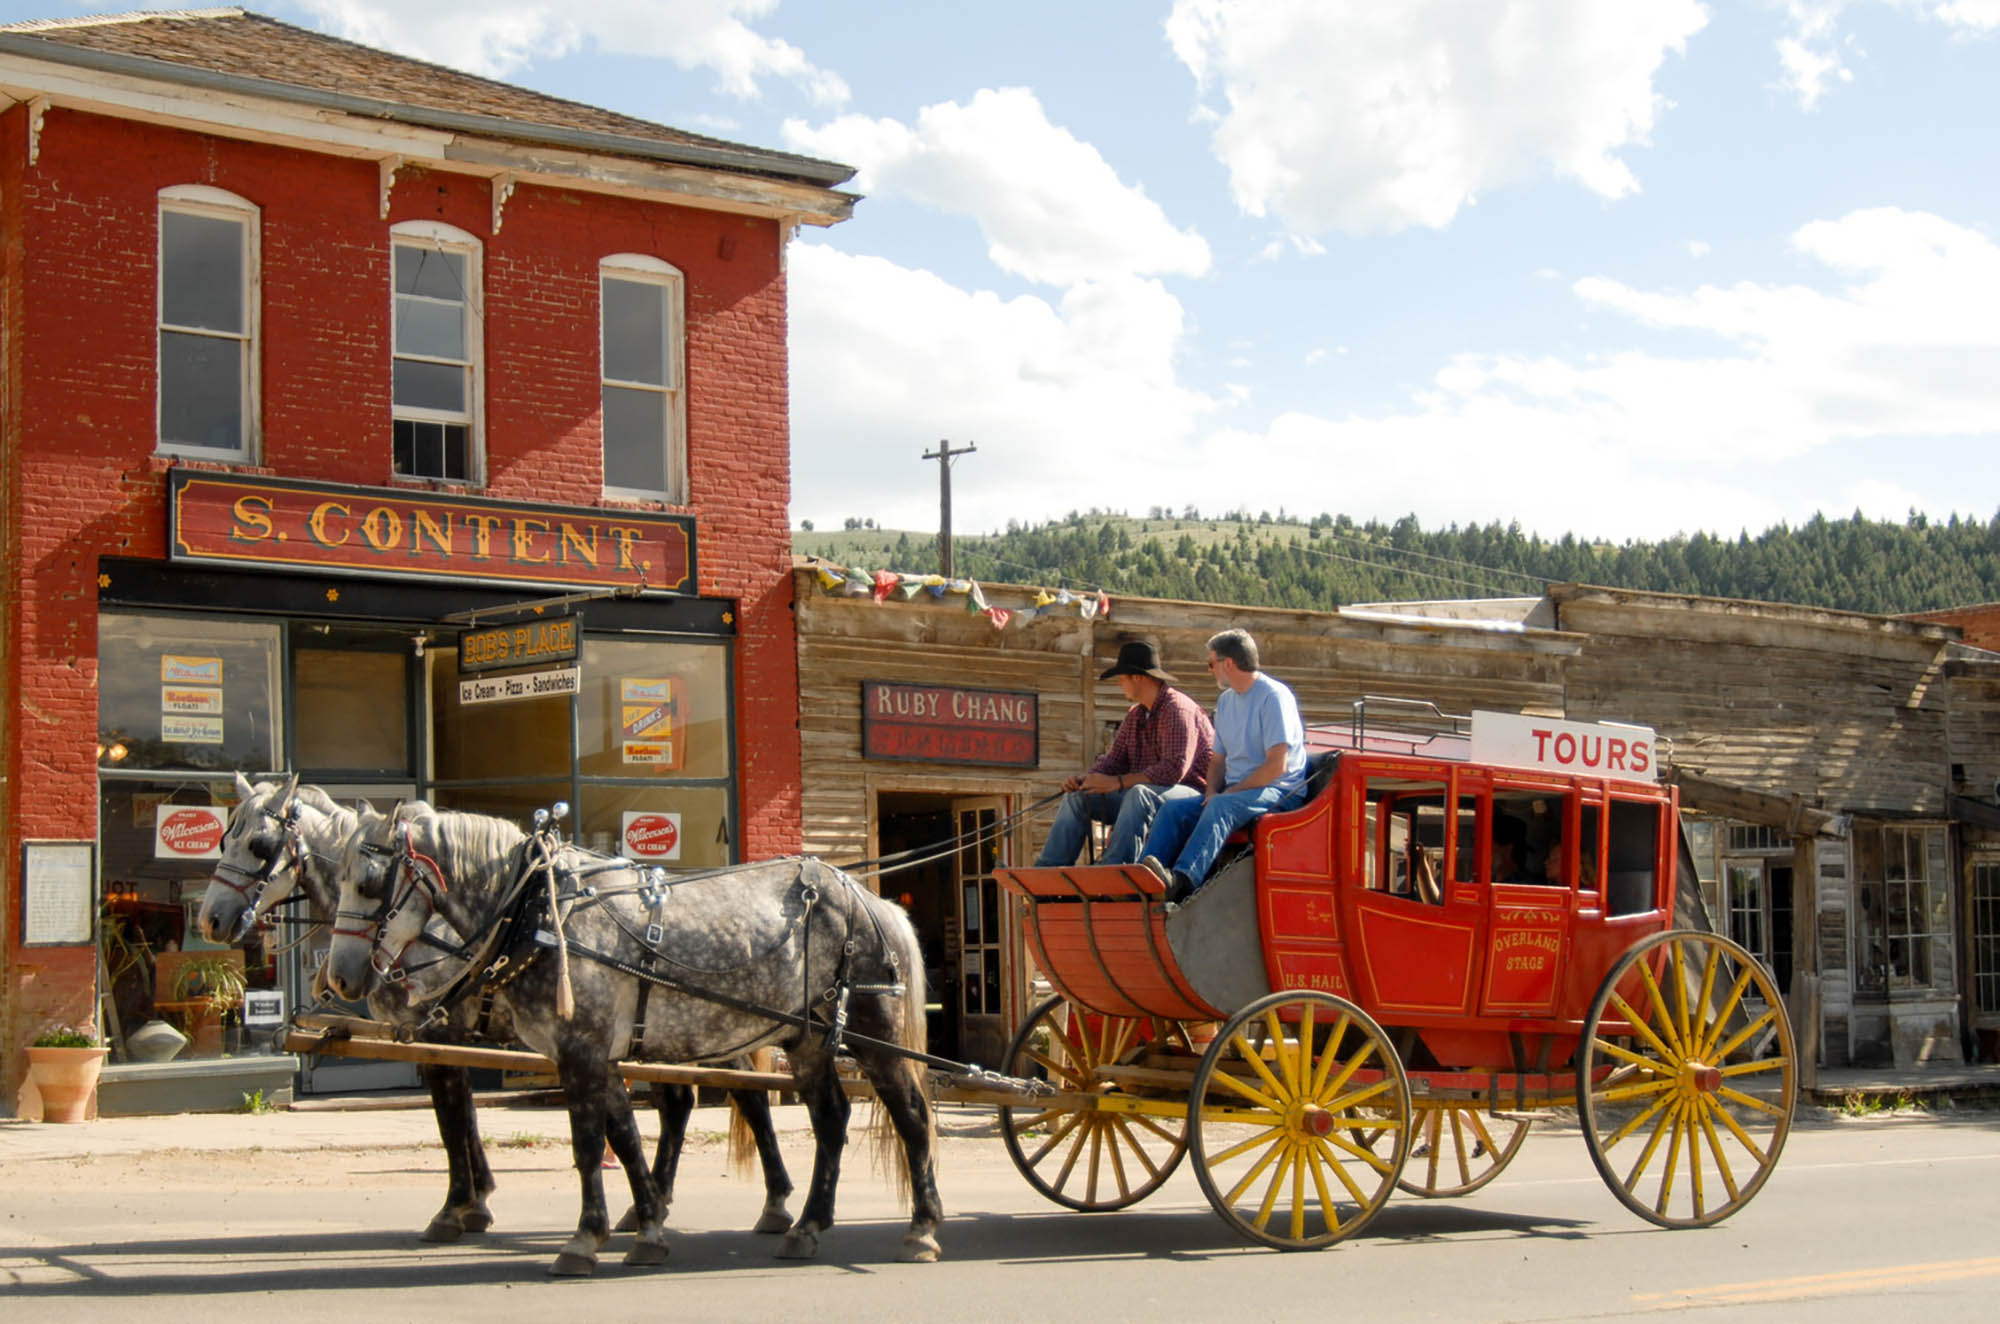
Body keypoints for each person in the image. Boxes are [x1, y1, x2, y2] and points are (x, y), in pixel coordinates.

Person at [1139, 629, 1308, 902]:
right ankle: (1143, 880)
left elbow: (1277, 766)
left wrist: (1227, 794)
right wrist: (1210, 791)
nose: (1210, 670)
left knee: (1221, 806)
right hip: (1238, 791)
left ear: (1228, 663)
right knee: (1172, 810)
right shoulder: (1225, 702)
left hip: (1279, 791)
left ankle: (1181, 879)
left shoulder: (1274, 697)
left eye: (1211, 663)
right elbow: (1218, 760)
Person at [1032, 639, 1215, 868]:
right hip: (1145, 796)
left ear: (1138, 677)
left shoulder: (1177, 710)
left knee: (1139, 794)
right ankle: (1048, 872)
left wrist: (1117, 782)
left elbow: (1174, 769)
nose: (1119, 684)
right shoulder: (1136, 715)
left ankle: (1113, 868)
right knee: (1077, 798)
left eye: (1122, 678)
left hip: (1193, 796)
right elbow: (1114, 760)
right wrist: (1086, 780)